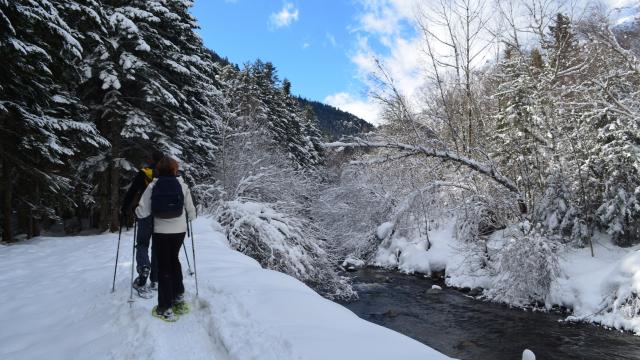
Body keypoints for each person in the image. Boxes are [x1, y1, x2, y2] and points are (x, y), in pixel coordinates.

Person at [135, 156, 196, 322]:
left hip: (161, 232)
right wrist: (186, 219)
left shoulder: (153, 186)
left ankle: (165, 307)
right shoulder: (182, 185)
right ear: (175, 169)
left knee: (164, 267)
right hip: (179, 232)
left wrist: (137, 216)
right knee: (174, 261)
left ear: (159, 170)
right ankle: (179, 299)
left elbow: (142, 211)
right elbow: (192, 212)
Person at [121, 150, 164, 297]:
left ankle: (144, 268)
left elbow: (132, 192)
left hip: (144, 214)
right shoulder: (167, 174)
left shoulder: (143, 173)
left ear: (152, 160)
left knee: (142, 243)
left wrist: (124, 209)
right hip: (162, 216)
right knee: (157, 246)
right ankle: (156, 279)